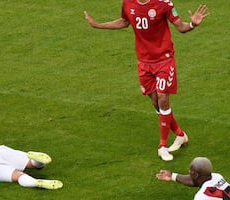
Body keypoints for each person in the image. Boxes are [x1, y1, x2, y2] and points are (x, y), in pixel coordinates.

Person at [84, 1, 209, 161]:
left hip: (164, 60)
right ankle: (180, 135)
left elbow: (181, 27)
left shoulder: (164, 4)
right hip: (143, 62)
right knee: (156, 102)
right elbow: (124, 21)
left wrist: (193, 24)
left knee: (163, 96)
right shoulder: (128, 3)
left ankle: (162, 146)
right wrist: (97, 25)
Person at [156, 157, 230, 200]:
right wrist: (172, 176)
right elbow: (193, 181)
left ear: (196, 175)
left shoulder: (201, 198)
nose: (189, 172)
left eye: (190, 171)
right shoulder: (217, 177)